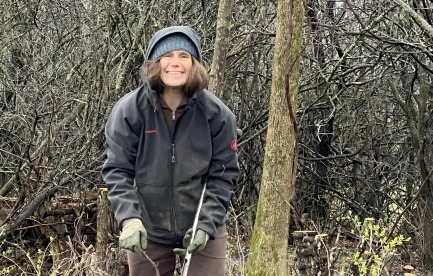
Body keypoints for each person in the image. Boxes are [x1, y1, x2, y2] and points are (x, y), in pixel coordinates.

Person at [102, 26, 240, 276]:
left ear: (194, 64)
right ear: (155, 63)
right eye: (167, 56)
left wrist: (206, 225)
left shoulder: (217, 115)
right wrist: (130, 219)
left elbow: (223, 175)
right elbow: (117, 171)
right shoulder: (129, 111)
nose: (175, 63)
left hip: (202, 227)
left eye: (184, 56)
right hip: (148, 228)